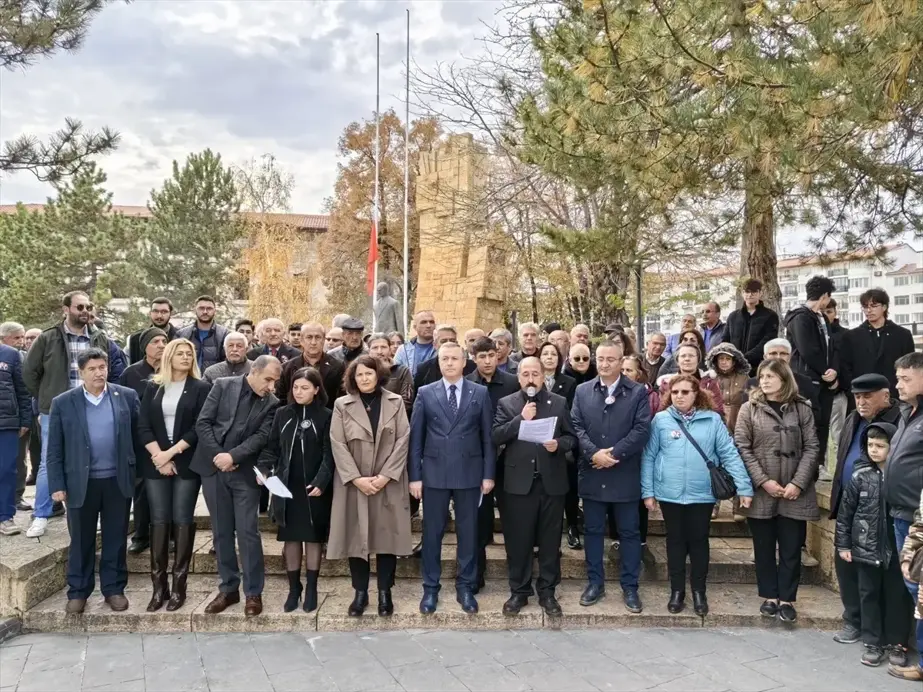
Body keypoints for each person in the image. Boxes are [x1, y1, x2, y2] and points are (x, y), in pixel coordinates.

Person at [642, 374, 753, 615]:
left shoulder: (713, 420)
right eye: (675, 392)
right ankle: (677, 591)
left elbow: (729, 454)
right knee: (675, 542)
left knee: (699, 542)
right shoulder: (660, 420)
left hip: (701, 494)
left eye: (685, 392)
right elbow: (649, 456)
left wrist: (744, 487)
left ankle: (699, 591)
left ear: (697, 394)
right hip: (670, 494)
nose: (679, 396)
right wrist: (648, 491)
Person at [46, 348, 139, 614]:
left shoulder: (126, 397)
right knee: (81, 540)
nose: (99, 373)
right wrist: (57, 485)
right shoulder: (63, 402)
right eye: (92, 369)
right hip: (79, 483)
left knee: (116, 537)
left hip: (116, 480)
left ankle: (114, 589)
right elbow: (54, 449)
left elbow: (137, 436)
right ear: (81, 372)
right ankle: (78, 591)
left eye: (103, 367)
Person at [23, 290, 121, 538]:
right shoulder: (48, 338)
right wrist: (48, 399)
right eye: (80, 307)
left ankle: (90, 514)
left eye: (88, 307)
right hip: (57, 410)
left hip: (92, 405)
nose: (85, 311)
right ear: (65, 309)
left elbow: (115, 366)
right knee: (48, 461)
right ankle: (41, 515)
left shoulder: (99, 337)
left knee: (89, 459)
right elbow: (29, 373)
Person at [191, 356, 281, 617]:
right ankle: (228, 589)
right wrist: (220, 455)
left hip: (244, 473)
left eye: (276, 381)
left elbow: (261, 437)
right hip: (212, 469)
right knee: (221, 532)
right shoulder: (222, 385)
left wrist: (233, 457)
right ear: (254, 371)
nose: (272, 387)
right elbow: (203, 423)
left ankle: (253, 592)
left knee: (248, 532)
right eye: (268, 380)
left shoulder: (272, 404)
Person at [409, 341, 495, 615]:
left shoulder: (479, 393)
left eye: (454, 358)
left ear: (464, 362)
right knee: (432, 534)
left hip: (469, 474)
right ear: (438, 362)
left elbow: (487, 438)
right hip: (434, 475)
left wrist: (488, 474)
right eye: (444, 358)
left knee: (468, 535)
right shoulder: (425, 392)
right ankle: (430, 588)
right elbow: (416, 440)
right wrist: (415, 477)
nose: (449, 363)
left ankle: (466, 587)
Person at [735, 359, 819, 623]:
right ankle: (769, 596)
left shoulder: (802, 409)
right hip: (763, 491)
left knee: (792, 548)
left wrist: (798, 483)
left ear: (784, 378)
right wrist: (763, 481)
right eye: (762, 376)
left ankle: (787, 599)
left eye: (771, 375)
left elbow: (812, 447)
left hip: (796, 491)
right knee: (763, 547)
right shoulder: (749, 408)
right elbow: (742, 447)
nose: (765, 380)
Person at [493, 356, 577, 617]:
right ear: (519, 378)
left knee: (550, 541)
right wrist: (520, 419)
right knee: (519, 541)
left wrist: (559, 445)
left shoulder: (559, 402)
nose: (530, 378)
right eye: (525, 374)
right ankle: (519, 591)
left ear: (543, 377)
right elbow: (496, 435)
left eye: (535, 374)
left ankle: (548, 591)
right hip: (518, 485)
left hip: (551, 482)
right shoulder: (507, 403)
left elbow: (571, 438)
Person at [328, 356, 412, 617]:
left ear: (378, 375)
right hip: (355, 483)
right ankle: (360, 592)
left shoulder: (395, 402)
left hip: (388, 482)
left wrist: (385, 476)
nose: (364, 378)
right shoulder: (342, 405)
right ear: (352, 378)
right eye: (359, 375)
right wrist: (356, 478)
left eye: (369, 373)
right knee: (356, 537)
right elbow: (337, 443)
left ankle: (385, 593)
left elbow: (403, 440)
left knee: (386, 537)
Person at [571, 340, 651, 612]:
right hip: (593, 473)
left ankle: (630, 587)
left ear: (621, 362)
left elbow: (641, 430)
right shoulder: (582, 391)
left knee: (629, 532)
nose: (605, 364)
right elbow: (576, 427)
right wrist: (594, 454)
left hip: (624, 474)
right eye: (601, 359)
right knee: (593, 532)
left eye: (611, 359)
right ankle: (595, 583)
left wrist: (614, 454)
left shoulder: (638, 392)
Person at [136, 339, 211, 612]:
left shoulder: (201, 388)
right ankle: (159, 588)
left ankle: (180, 586)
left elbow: (198, 427)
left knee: (182, 520)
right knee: (158, 520)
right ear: (168, 356)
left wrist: (171, 454)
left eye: (189, 353)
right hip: (156, 462)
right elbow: (143, 424)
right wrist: (159, 456)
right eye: (179, 353)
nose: (185, 357)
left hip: (186, 462)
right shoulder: (152, 386)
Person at [828, 373, 901, 644]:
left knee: (880, 575)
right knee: (846, 566)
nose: (860, 401)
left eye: (867, 396)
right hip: (850, 504)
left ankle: (882, 632)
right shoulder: (852, 418)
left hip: (881, 509)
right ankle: (853, 620)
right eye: (857, 396)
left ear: (885, 394)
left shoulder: (899, 420)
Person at [835, 422, 913, 668]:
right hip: (866, 548)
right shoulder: (860, 477)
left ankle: (897, 643)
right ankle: (872, 641)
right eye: (870, 445)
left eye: (881, 445)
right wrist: (844, 545)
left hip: (894, 548)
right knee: (868, 595)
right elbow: (845, 515)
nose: (875, 450)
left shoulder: (900, 478)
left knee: (896, 596)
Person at [257, 367, 333, 613]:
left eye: (305, 388)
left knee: (312, 538)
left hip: (313, 488)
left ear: (316, 390)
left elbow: (329, 454)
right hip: (286, 486)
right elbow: (271, 448)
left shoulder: (326, 415)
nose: (299, 392)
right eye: (296, 387)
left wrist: (322, 481)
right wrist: (265, 471)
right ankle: (293, 588)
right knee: (290, 537)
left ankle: (311, 588)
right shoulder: (282, 413)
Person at [466, 336, 519, 590]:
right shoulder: (467, 385)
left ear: (498, 355)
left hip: (508, 459)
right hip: (476, 461)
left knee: (512, 519)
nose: (487, 361)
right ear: (474, 358)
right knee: (478, 519)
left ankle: (517, 574)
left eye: (491, 355)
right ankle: (476, 573)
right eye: (482, 357)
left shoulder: (511, 383)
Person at [883, 351, 923, 681]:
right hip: (901, 514)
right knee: (915, 587)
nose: (898, 384)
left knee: (919, 589)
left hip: (918, 519)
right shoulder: (906, 414)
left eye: (905, 379)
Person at [119, 327, 168, 555]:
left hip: (168, 442)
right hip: (140, 440)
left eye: (164, 341)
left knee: (167, 490)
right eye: (155, 341)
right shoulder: (131, 373)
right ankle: (141, 535)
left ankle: (168, 535)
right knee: (141, 490)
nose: (160, 345)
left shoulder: (174, 371)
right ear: (145, 346)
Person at [783, 275, 839, 470]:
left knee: (823, 423)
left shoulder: (821, 317)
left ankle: (819, 463)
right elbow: (807, 349)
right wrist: (824, 371)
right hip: (807, 378)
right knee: (808, 423)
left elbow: (830, 347)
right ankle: (805, 466)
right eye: (828, 297)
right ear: (824, 295)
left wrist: (833, 372)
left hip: (825, 380)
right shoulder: (800, 317)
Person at [844, 288, 915, 399]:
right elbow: (845, 368)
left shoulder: (902, 335)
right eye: (865, 307)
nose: (869, 310)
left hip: (894, 395)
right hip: (862, 395)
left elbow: (909, 367)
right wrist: (853, 391)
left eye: (873, 306)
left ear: (884, 307)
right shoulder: (851, 336)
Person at [276, 323, 345, 411]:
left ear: (324, 340)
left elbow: (341, 399)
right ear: (301, 340)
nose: (313, 342)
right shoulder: (287, 368)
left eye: (318, 337)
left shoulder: (337, 366)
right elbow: (281, 399)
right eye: (309, 337)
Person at [0, 341, 30, 536]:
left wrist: (25, 419)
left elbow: (23, 389)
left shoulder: (11, 354)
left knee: (7, 470)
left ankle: (5, 516)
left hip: (7, 423)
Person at [726, 279, 780, 375]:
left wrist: (743, 358)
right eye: (747, 291)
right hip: (735, 368)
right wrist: (731, 359)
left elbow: (767, 342)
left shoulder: (770, 316)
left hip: (759, 368)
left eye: (754, 291)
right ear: (742, 293)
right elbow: (725, 341)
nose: (750, 295)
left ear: (760, 293)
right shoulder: (733, 317)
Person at [657, 344, 725, 419]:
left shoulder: (709, 383)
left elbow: (718, 411)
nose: (687, 359)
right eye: (683, 356)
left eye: (691, 356)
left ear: (698, 359)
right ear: (677, 361)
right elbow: (662, 411)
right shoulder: (667, 384)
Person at [176, 295, 230, 372]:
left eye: (209, 308)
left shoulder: (224, 334)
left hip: (214, 382)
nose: (205, 312)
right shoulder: (182, 334)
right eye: (201, 308)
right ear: (195, 310)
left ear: (215, 311)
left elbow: (228, 363)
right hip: (188, 381)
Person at [368, 333, 414, 416]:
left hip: (395, 419)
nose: (379, 351)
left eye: (383, 347)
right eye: (375, 348)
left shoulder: (402, 371)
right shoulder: (361, 371)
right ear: (369, 351)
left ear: (389, 349)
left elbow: (406, 402)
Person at [126, 298, 178, 364]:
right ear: (150, 313)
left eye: (164, 312)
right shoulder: (135, 338)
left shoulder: (181, 336)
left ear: (171, 313)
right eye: (155, 311)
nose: (159, 316)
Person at [395, 311, 437, 377]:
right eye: (423, 322)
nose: (428, 325)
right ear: (415, 327)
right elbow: (395, 374)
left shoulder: (441, 348)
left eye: (431, 322)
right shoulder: (403, 350)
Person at [538, 341, 577, 407]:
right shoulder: (533, 381)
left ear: (558, 359)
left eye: (553, 354)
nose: (549, 357)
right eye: (545, 354)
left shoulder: (570, 382)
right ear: (539, 358)